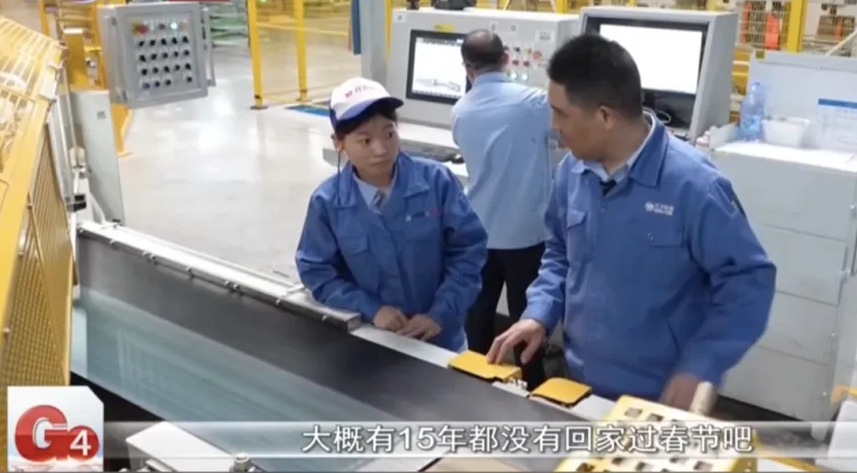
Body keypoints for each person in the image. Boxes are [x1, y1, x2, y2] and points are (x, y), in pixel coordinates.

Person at [487, 34, 777, 408]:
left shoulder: (694, 187)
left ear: (605, 116)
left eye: (561, 113)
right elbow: (559, 252)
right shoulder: (573, 172)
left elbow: (748, 282)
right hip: (579, 383)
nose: (553, 125)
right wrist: (539, 314)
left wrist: (700, 366)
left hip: (661, 394)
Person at [295, 77, 488, 352]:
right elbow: (317, 272)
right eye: (365, 140)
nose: (381, 149)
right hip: (373, 341)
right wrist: (371, 309)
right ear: (339, 142)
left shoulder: (436, 182)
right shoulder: (327, 203)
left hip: (442, 341)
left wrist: (439, 313)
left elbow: (468, 252)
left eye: (389, 134)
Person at [452, 30, 552, 389]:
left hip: (481, 230)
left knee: (479, 315)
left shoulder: (460, 110)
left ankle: (479, 381)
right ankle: (533, 384)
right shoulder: (535, 103)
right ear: (506, 59)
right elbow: (567, 133)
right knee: (527, 317)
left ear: (467, 69)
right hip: (526, 234)